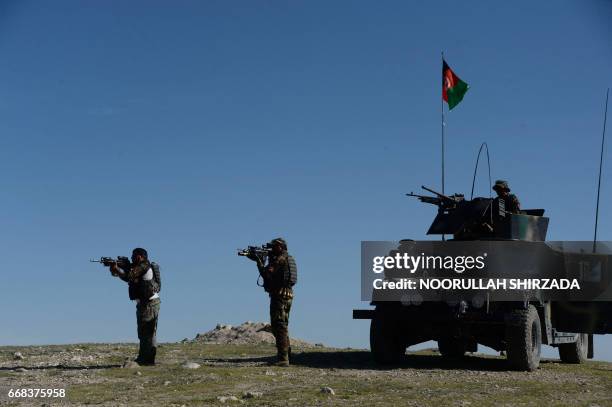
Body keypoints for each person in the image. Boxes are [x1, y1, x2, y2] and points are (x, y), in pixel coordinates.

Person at [248, 238, 296, 367]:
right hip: (286, 295)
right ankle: (286, 355)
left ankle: (283, 358)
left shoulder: (280, 259)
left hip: (280, 296)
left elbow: (267, 274)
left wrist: (259, 262)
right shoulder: (286, 257)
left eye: (273, 247)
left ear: (280, 247)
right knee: (282, 326)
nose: (271, 250)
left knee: (279, 326)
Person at [109, 248, 161, 366]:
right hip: (145, 303)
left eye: (133, 256)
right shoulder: (138, 267)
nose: (131, 258)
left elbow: (129, 276)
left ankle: (145, 359)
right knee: (144, 332)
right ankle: (146, 359)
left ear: (139, 256)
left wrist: (117, 268)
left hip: (149, 303)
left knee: (147, 332)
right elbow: (128, 277)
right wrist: (116, 270)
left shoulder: (144, 265)